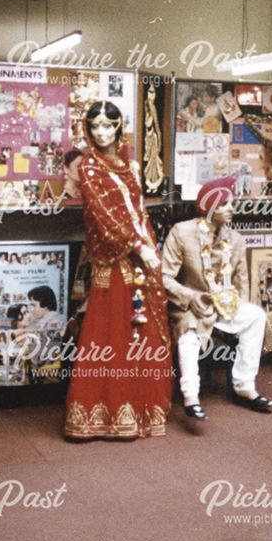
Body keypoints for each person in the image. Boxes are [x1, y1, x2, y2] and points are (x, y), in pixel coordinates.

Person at [63, 101, 172, 439]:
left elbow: (139, 212)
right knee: (110, 332)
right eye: (94, 126)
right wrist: (137, 246)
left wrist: (149, 246)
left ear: (118, 128)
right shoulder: (90, 168)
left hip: (139, 258)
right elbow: (103, 216)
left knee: (138, 332)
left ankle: (137, 414)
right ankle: (105, 415)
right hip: (113, 259)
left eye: (108, 126)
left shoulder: (130, 164)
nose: (101, 133)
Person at [161, 175, 272, 420]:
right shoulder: (182, 232)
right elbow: (164, 277)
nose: (231, 210)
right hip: (190, 306)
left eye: (231, 204)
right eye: (225, 205)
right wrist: (190, 296)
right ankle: (191, 397)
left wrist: (237, 306)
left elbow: (242, 282)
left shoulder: (235, 239)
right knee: (189, 337)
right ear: (210, 206)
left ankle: (244, 386)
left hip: (224, 305)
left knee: (256, 315)